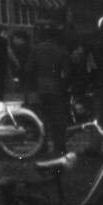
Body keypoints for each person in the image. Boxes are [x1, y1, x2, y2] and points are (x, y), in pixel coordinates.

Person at [24, 24, 70, 156]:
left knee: (41, 119)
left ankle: (42, 147)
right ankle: (59, 147)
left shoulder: (36, 49)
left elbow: (28, 69)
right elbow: (66, 73)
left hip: (39, 88)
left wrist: (31, 88)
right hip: (55, 88)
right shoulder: (62, 51)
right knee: (57, 120)